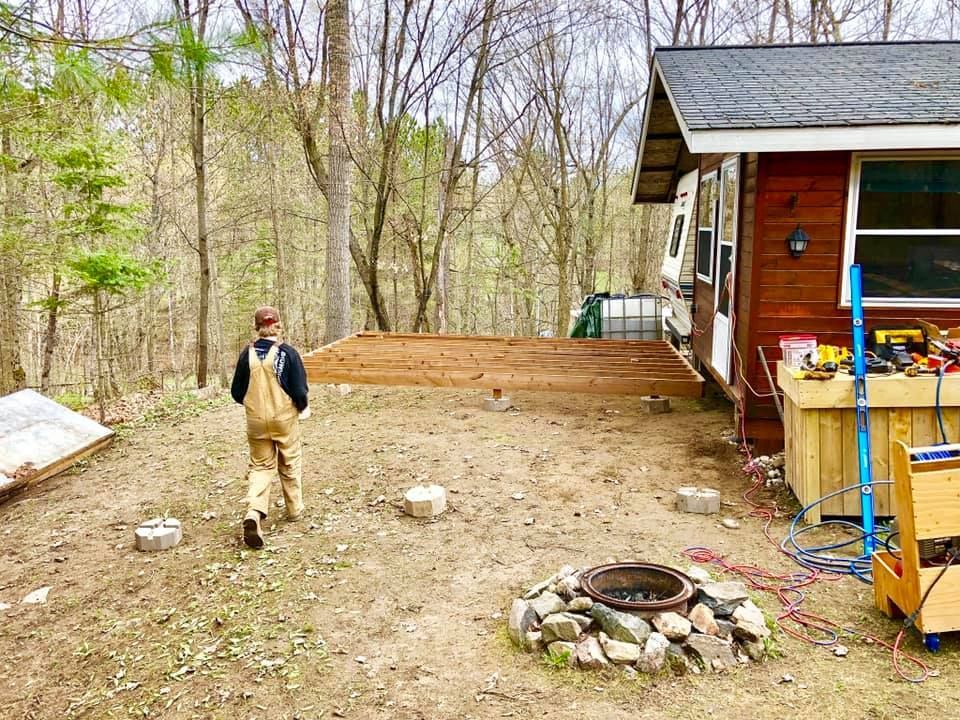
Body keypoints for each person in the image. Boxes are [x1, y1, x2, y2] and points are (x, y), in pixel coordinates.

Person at [230, 306, 310, 548]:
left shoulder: (247, 355)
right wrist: (302, 406)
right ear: (278, 325)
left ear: (256, 328)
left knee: (261, 466)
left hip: (256, 421)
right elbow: (298, 389)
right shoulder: (288, 353)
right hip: (284, 419)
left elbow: (236, 392)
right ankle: (294, 510)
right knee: (289, 460)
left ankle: (254, 511)